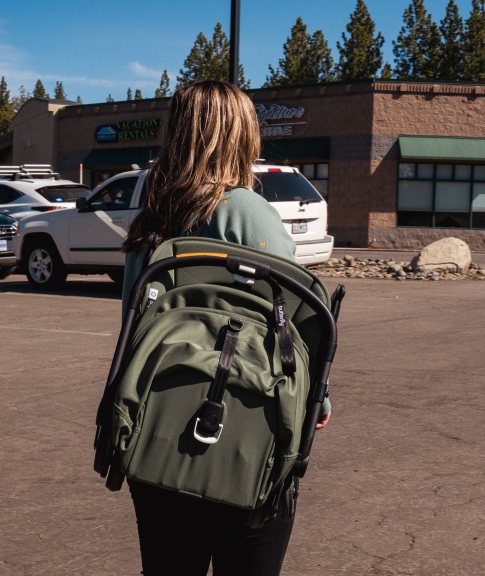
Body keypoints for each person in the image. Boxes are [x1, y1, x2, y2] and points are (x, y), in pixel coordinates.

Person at [119, 80, 330, 576]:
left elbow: (133, 327)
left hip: (157, 431)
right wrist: (319, 400)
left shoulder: (151, 221)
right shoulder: (246, 212)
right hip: (242, 434)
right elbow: (295, 319)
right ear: (241, 137)